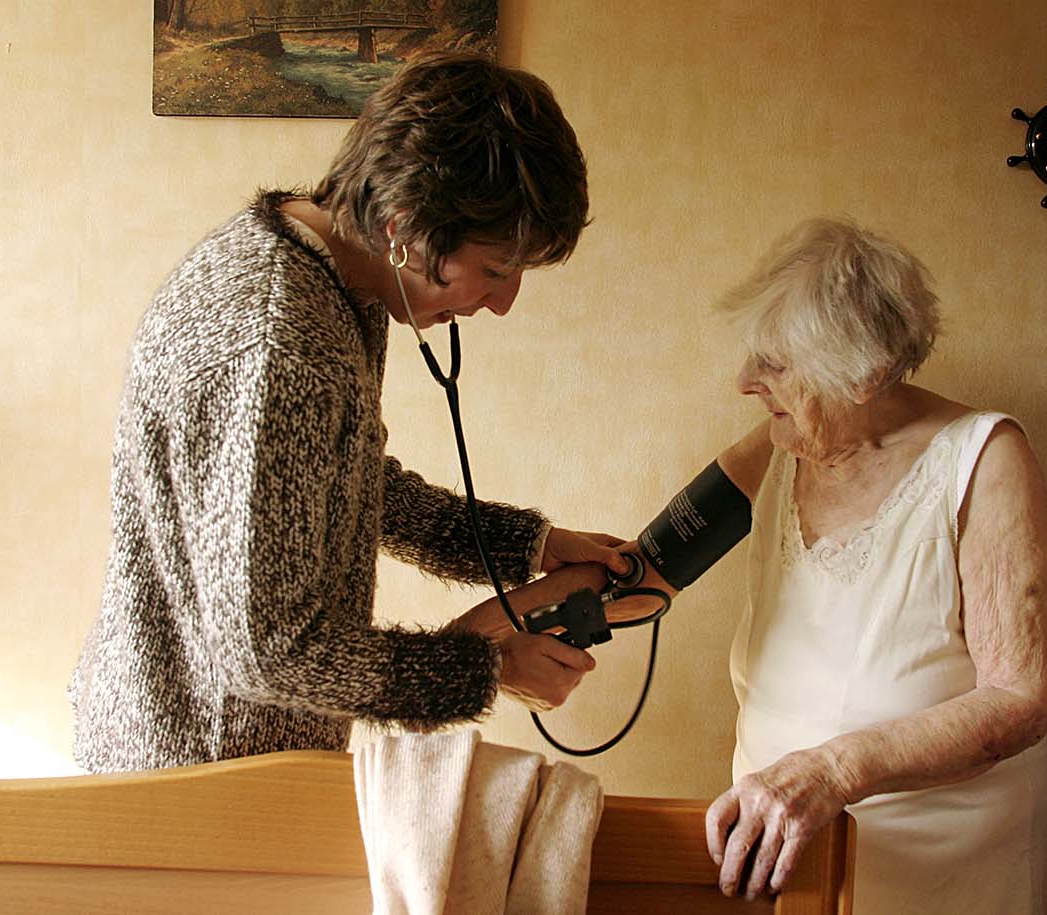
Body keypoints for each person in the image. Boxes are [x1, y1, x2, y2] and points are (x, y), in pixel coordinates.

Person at [68, 52, 631, 773]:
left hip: (214, 751)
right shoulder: (278, 342)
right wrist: (486, 668)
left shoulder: (331, 279)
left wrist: (531, 544)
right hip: (194, 774)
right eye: (496, 269)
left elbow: (348, 481)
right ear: (404, 230)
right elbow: (270, 652)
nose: (503, 302)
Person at [642, 218, 1047, 912]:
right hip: (790, 863)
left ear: (863, 373)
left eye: (774, 364)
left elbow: (1020, 699)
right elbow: (646, 567)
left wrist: (832, 771)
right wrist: (526, 605)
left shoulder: (986, 459)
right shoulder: (776, 444)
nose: (744, 381)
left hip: (949, 871)